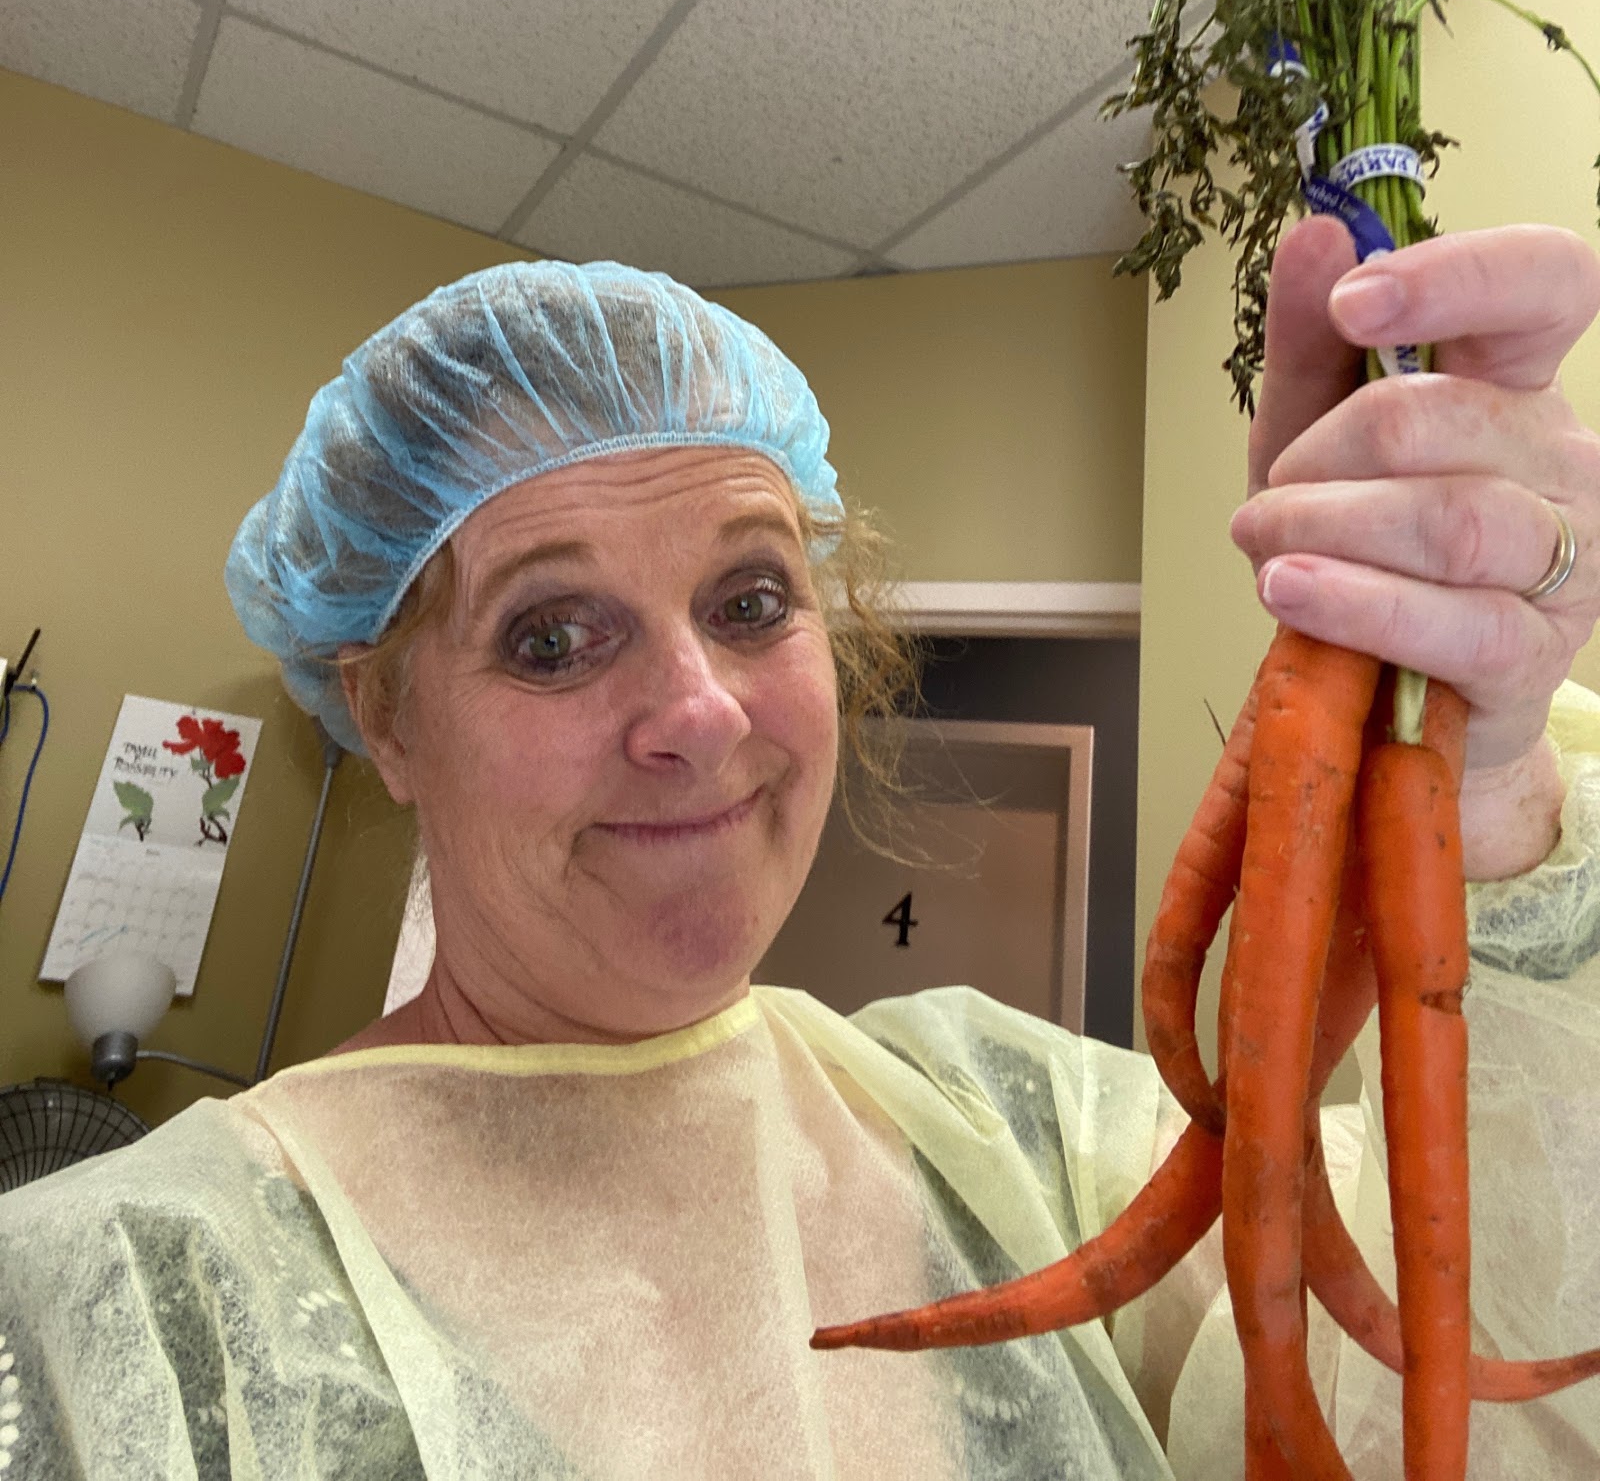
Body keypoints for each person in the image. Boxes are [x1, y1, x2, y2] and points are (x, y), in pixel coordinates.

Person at [2, 218, 1599, 1480]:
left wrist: (1488, 779)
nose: (699, 712)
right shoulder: (115, 1302)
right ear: (387, 719)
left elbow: (1503, 1396)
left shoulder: (1013, 1134)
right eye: (552, 634)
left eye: (752, 599)